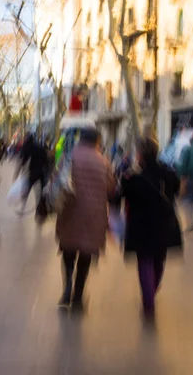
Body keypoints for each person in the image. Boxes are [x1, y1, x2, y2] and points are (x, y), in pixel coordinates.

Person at [121, 138, 182, 317]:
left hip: (141, 225)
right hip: (164, 223)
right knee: (159, 258)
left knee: (145, 259)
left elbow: (122, 195)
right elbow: (177, 191)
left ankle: (148, 300)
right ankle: (152, 290)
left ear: (140, 155)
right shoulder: (169, 173)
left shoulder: (133, 177)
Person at [56, 128, 115, 310]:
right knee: (86, 254)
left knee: (68, 250)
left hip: (70, 211)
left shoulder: (68, 156)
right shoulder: (103, 161)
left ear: (80, 139)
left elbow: (58, 179)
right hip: (94, 214)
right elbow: (111, 187)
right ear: (97, 141)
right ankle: (79, 297)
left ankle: (67, 289)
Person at [15, 133, 49, 215]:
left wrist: (17, 173)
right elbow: (46, 160)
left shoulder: (27, 147)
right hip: (41, 172)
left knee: (26, 190)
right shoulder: (40, 147)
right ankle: (40, 209)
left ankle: (22, 209)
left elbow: (23, 160)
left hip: (32, 172)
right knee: (41, 192)